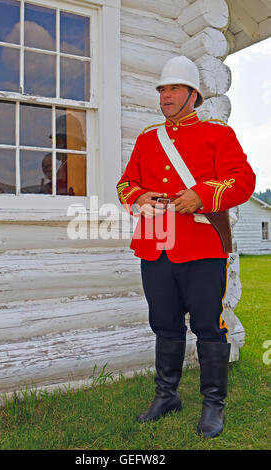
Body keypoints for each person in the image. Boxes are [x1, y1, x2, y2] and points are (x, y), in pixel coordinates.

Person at [116, 56, 256, 438]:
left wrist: (202, 196)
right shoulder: (147, 138)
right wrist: (141, 198)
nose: (166, 95)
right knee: (164, 324)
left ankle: (213, 404)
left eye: (174, 88)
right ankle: (167, 395)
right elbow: (126, 183)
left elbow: (242, 180)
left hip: (201, 246)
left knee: (209, 326)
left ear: (193, 95)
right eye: (163, 89)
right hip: (155, 246)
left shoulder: (218, 134)